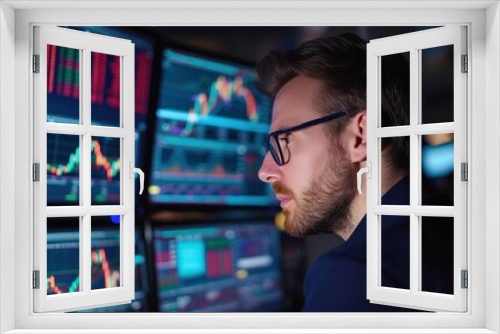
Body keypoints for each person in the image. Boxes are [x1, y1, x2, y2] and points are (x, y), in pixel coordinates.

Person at [255, 33, 454, 312]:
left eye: (285, 140)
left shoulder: (354, 276)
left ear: (361, 137)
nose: (265, 171)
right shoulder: (450, 229)